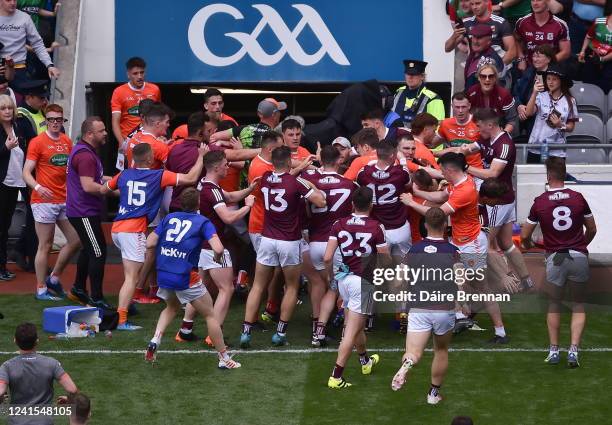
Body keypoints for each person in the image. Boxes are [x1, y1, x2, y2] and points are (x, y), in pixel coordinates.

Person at [401, 153, 508, 343]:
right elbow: (441, 196)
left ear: (450, 170)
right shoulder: (457, 183)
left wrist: (411, 202)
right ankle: (460, 315)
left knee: (481, 287)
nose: (440, 173)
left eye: (442, 170)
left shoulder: (465, 190)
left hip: (470, 244)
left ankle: (499, 331)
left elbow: (437, 214)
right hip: (459, 240)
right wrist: (417, 193)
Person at [101, 142, 206, 330]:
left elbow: (103, 190)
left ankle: (125, 308)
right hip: (133, 230)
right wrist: (200, 157)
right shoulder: (158, 175)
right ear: (150, 159)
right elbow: (191, 178)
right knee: (132, 277)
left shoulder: (124, 174)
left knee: (130, 275)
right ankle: (122, 319)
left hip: (118, 227)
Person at [144, 188, 240, 369]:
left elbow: (150, 242)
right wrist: (217, 259)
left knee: (171, 307)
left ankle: (155, 339)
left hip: (164, 272)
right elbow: (218, 249)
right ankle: (224, 358)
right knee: (210, 315)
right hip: (184, 275)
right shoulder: (203, 222)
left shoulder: (168, 218)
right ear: (198, 205)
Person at [240, 145, 325, 348]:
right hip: (289, 240)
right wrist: (311, 185)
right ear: (289, 162)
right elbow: (320, 202)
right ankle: (280, 333)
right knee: (293, 286)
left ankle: (246, 332)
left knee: (259, 285)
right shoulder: (297, 183)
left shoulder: (266, 178)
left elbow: (283, 176)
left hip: (267, 238)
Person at [521, 157, 597, 368]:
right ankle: (573, 350)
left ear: (548, 176)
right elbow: (592, 229)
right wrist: (581, 244)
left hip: (555, 257)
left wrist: (530, 244)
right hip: (578, 255)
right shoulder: (578, 198)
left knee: (554, 304)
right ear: (564, 175)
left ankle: (554, 350)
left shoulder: (540, 201)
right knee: (578, 304)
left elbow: (525, 234)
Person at [176, 151, 257, 345]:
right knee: (226, 288)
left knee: (199, 288)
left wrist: (251, 188)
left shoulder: (205, 184)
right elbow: (228, 217)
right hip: (214, 246)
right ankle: (215, 335)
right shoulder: (211, 190)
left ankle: (185, 330)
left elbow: (228, 196)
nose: (228, 167)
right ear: (215, 167)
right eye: (225, 164)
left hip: (202, 245)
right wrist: (248, 207)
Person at [460, 108, 535, 294]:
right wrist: (441, 154)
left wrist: (465, 167)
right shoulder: (486, 138)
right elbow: (467, 148)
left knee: (483, 243)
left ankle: (501, 281)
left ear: (490, 125)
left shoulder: (504, 144)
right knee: (506, 243)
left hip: (497, 201)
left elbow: (493, 174)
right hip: (504, 199)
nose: (477, 130)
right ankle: (526, 281)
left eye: (479, 126)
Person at [391, 207, 459, 404]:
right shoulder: (453, 251)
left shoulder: (414, 250)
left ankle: (407, 364)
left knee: (413, 352)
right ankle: (433, 394)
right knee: (441, 350)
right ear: (445, 225)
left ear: (425, 225)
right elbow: (461, 280)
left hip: (418, 308)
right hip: (444, 309)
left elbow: (397, 282)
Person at [326, 186, 389, 389]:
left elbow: (327, 257)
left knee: (357, 324)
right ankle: (336, 376)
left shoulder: (339, 223)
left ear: (352, 204)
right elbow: (385, 260)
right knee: (351, 330)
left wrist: (332, 278)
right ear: (371, 205)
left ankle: (365, 361)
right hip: (363, 282)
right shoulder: (376, 227)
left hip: (344, 279)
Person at [22, 103, 81, 300]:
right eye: (51, 119)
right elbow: (26, 173)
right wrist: (38, 187)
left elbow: (71, 170)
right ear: (46, 121)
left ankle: (54, 278)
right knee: (45, 245)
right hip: (43, 201)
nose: (55, 123)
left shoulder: (67, 141)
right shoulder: (37, 142)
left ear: (63, 120)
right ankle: (40, 288)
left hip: (64, 199)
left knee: (75, 240)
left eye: (59, 119)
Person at [302, 145, 357, 346]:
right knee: (338, 288)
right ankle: (342, 329)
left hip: (314, 241)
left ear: (320, 159)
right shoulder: (350, 184)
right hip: (336, 245)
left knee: (319, 284)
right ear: (339, 160)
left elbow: (304, 209)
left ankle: (318, 324)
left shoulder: (309, 182)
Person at [66, 117, 111, 309]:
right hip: (83, 211)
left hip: (82, 210)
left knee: (89, 249)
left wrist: (118, 181)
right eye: (101, 131)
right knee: (98, 252)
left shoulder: (85, 152)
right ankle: (97, 298)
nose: (105, 133)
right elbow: (88, 185)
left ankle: (78, 288)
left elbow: (97, 178)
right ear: (89, 134)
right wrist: (111, 189)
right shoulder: (85, 155)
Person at [0, 323, 78, 425]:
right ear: (37, 340)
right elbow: (72, 389)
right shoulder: (51, 363)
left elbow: (0, 391)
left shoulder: (7, 366)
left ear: (15, 340)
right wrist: (70, 400)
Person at [356, 141, 412, 257]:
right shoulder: (400, 172)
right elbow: (409, 183)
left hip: (378, 229)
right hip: (400, 227)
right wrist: (402, 160)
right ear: (392, 155)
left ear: (377, 153)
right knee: (403, 265)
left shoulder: (364, 173)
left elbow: (359, 181)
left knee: (381, 267)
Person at [525, 64, 578, 163]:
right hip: (536, 147)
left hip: (557, 149)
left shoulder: (570, 101)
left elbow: (571, 127)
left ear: (561, 81)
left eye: (554, 79)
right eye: (548, 79)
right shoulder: (540, 96)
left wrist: (560, 125)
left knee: (555, 178)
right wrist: (534, 93)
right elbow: (528, 113)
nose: (550, 82)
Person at [0, 0, 60, 87]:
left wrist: (49, 65)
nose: (13, 3)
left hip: (19, 69)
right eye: (8, 0)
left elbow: (37, 44)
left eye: (15, 0)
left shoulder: (25, 18)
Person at [0, 94, 28, 281]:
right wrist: (5, 148)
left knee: (5, 226)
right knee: (1, 227)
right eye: (3, 108)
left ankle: (3, 266)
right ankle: (1, 267)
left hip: (16, 182)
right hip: (2, 183)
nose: (8, 111)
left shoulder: (18, 126)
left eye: (10, 107)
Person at [111, 57, 161, 146]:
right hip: (128, 140)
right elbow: (115, 121)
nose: (139, 76)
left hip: (150, 140)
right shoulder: (119, 92)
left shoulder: (154, 89)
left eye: (142, 72)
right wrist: (122, 143)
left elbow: (160, 115)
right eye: (135, 73)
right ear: (128, 75)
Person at [445, 0, 516, 64]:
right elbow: (447, 48)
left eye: (478, 3)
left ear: (487, 2)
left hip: (497, 70)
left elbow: (512, 52)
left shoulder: (500, 22)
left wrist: (495, 69)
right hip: (474, 70)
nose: (474, 7)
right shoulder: (467, 23)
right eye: (472, 4)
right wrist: (453, 36)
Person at [210, 97, 287, 149]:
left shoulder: (243, 129)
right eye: (279, 112)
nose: (280, 114)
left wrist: (224, 143)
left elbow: (213, 137)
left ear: (259, 114)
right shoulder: (276, 138)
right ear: (274, 115)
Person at [515, 0, 571, 68]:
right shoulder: (522, 22)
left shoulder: (560, 25)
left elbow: (565, 52)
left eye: (539, 0)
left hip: (551, 66)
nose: (535, 3)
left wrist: (547, 63)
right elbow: (516, 40)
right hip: (529, 65)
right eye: (533, 0)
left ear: (547, 2)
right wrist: (521, 59)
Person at [390, 60, 445, 128]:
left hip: (418, 137)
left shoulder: (433, 98)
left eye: (414, 74)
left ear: (422, 76)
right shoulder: (399, 92)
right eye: (408, 74)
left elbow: (437, 127)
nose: (410, 77)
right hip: (394, 136)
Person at [466, 64, 517, 135]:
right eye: (483, 76)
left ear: (495, 78)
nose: (487, 79)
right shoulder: (471, 92)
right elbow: (466, 116)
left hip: (500, 132)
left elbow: (512, 121)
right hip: (476, 133)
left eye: (491, 76)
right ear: (478, 78)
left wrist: (501, 136)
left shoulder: (504, 94)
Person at [436, 92, 482, 169]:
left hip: (475, 168)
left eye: (463, 107)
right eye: (457, 107)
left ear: (469, 106)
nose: (460, 111)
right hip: (453, 168)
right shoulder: (445, 124)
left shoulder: (478, 123)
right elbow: (431, 143)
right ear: (452, 107)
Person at [170, 88, 238, 139]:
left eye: (220, 103)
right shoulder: (197, 120)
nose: (218, 107)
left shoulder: (230, 122)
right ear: (206, 105)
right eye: (213, 103)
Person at [515, 44, 556, 125]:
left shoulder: (555, 77)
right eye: (534, 56)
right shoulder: (529, 72)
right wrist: (519, 105)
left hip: (544, 117)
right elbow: (516, 92)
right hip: (524, 113)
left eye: (539, 56)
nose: (535, 59)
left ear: (548, 59)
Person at [124, 102, 170, 169]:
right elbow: (170, 173)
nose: (168, 125)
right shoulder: (160, 146)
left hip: (131, 178)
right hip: (149, 179)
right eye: (167, 122)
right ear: (157, 124)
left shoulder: (134, 136)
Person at [578, 13, 612, 93]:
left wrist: (602, 59)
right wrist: (582, 51)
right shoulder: (599, 21)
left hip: (609, 60)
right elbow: (588, 37)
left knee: (606, 86)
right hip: (593, 55)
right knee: (587, 82)